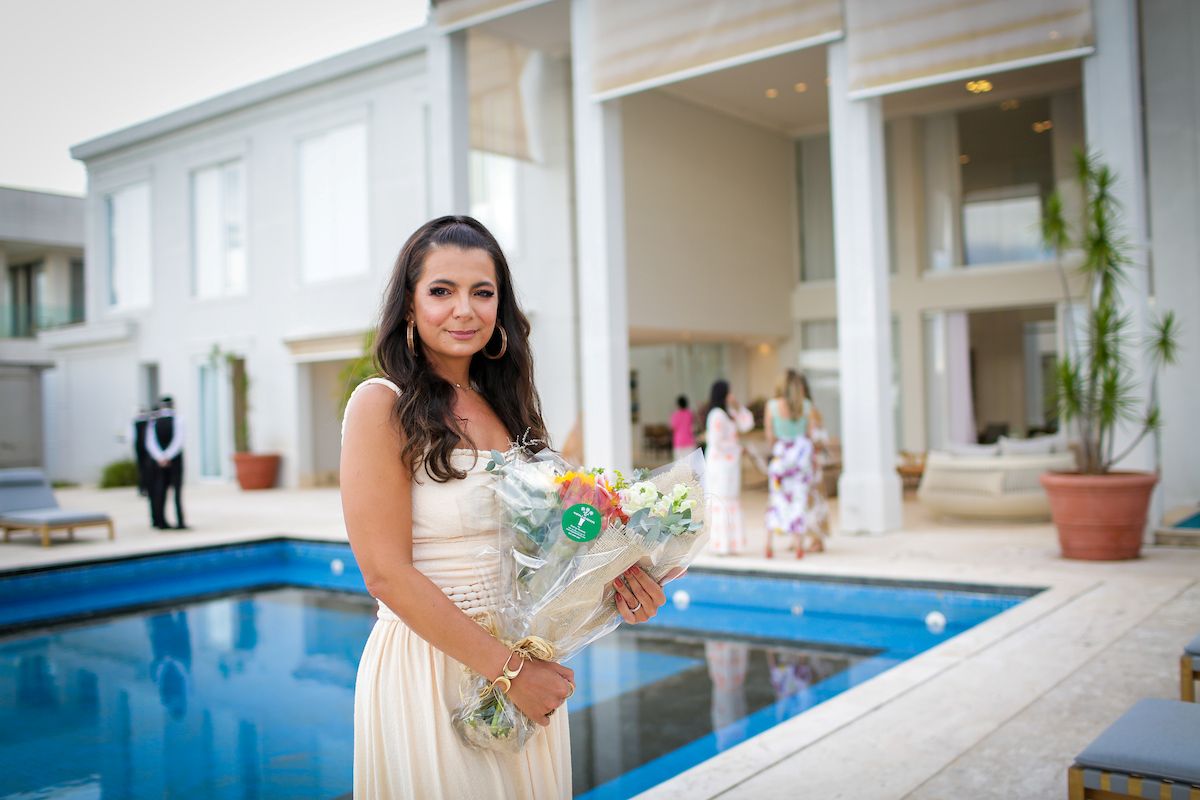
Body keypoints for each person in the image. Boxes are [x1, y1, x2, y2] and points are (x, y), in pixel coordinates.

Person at [339, 216, 670, 799]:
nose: (464, 308)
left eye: (482, 292)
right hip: (432, 666)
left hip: (526, 666)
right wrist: (510, 672)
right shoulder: (380, 405)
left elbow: (553, 549)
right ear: (409, 307)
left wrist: (619, 581)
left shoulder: (511, 412)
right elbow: (384, 573)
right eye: (441, 291)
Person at [764, 371, 828, 557]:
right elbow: (809, 435)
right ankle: (799, 545)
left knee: (776, 501)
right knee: (799, 501)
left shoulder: (772, 406)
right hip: (800, 461)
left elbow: (770, 437)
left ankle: (769, 545)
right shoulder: (806, 406)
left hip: (781, 460)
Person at [704, 379, 754, 555]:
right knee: (721, 500)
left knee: (731, 500)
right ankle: (720, 544)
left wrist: (738, 406)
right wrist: (738, 448)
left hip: (730, 465)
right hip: (720, 465)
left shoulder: (729, 412)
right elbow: (716, 442)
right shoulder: (716, 415)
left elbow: (748, 424)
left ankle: (731, 543)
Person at [146, 396, 187, 530]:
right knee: (176, 492)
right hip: (174, 461)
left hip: (159, 462)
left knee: (160, 491)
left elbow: (150, 443)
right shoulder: (178, 419)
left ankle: (161, 521)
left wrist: (160, 457)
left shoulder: (154, 421)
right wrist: (168, 456)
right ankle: (180, 521)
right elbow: (178, 441)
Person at [130, 407, 153, 497]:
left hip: (140, 448)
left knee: (142, 469)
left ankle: (143, 488)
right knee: (145, 469)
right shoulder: (148, 422)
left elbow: (131, 437)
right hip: (146, 448)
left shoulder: (135, 423)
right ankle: (144, 487)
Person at [669, 395, 697, 461]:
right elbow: (693, 426)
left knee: (679, 464)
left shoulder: (675, 415)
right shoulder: (690, 413)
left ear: (678, 404)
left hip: (679, 441)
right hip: (690, 441)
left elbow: (673, 428)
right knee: (690, 463)